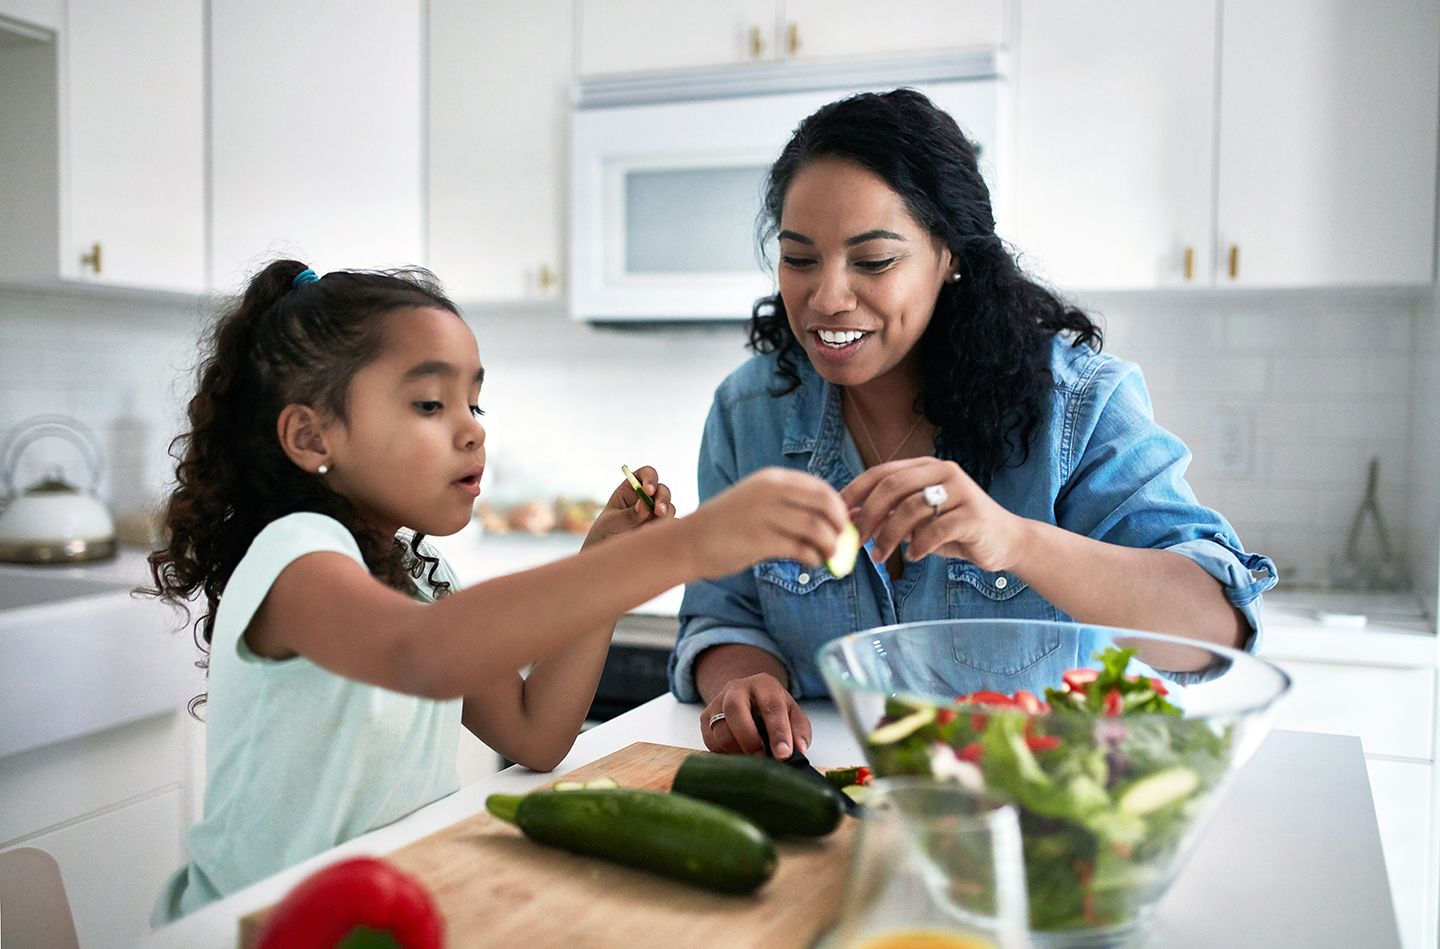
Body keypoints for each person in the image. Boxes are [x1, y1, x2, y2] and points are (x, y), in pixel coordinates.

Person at [145, 260, 850, 922]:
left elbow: (536, 732)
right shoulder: (296, 555)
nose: (473, 432)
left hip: (380, 905)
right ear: (310, 434)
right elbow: (421, 654)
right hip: (247, 926)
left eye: (476, 404)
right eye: (430, 403)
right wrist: (687, 545)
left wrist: (605, 560)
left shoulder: (423, 578)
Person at [668, 88, 1277, 761]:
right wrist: (745, 678)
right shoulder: (747, 414)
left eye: (873, 261)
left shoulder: (1076, 405)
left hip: (1030, 812)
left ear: (950, 255)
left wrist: (1016, 541)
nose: (827, 297)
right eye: (800, 258)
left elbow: (1214, 628)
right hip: (822, 805)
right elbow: (723, 614)